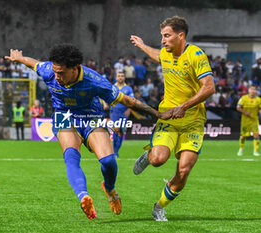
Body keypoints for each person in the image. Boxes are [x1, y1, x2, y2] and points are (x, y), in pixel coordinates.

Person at [5, 44, 172, 220]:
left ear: (75, 69)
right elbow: (34, 63)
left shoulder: (94, 81)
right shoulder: (49, 71)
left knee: (108, 161)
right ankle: (84, 196)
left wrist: (157, 114)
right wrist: (19, 58)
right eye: (55, 71)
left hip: (91, 116)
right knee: (70, 155)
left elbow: (128, 101)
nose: (57, 76)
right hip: (64, 116)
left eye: (61, 73)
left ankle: (110, 189)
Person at [130, 16, 215, 221]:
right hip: (168, 117)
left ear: (180, 35)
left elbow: (209, 87)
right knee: (158, 159)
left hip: (193, 120)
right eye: (162, 36)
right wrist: (142, 45)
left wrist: (184, 106)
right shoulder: (166, 53)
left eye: (166, 36)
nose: (163, 40)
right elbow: (157, 55)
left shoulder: (195, 55)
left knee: (184, 170)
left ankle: (159, 207)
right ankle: (149, 155)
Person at [110, 71, 134, 157]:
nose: (120, 77)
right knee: (116, 131)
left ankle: (116, 151)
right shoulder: (112, 87)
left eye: (122, 76)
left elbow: (132, 100)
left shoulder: (128, 88)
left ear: (124, 78)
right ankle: (114, 152)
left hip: (124, 112)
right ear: (116, 78)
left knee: (121, 131)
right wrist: (105, 104)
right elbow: (107, 97)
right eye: (119, 76)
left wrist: (129, 110)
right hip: (114, 112)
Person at [236, 85, 261, 156]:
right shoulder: (244, 98)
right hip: (245, 120)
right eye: (252, 89)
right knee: (243, 136)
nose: (253, 91)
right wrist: (245, 112)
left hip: (254, 120)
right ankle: (241, 148)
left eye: (254, 89)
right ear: (248, 90)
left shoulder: (258, 100)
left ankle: (255, 151)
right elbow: (238, 107)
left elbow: (259, 109)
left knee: (256, 135)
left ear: (256, 91)